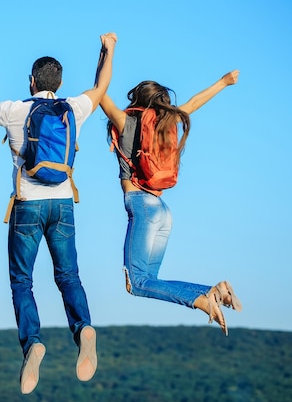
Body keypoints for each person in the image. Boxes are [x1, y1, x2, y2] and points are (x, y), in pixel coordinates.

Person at [0, 33, 117, 394]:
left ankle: (33, 344)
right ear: (59, 84)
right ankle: (83, 327)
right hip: (63, 203)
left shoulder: (15, 110)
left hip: (27, 205)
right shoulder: (74, 107)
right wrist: (108, 49)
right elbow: (102, 85)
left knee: (22, 282)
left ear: (31, 81)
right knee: (68, 276)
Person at [99, 71, 242, 336]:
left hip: (141, 206)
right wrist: (223, 82)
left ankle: (199, 301)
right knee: (149, 281)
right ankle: (212, 291)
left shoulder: (126, 121)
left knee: (137, 283)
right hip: (162, 211)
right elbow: (195, 103)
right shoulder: (168, 122)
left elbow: (99, 92)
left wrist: (105, 52)